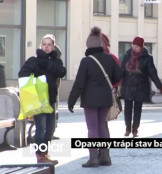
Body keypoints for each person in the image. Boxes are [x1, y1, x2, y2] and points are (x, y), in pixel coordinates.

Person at [68, 27, 122, 167]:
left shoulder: (86, 61)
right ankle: (105, 157)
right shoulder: (109, 59)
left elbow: (79, 84)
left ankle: (93, 158)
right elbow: (120, 75)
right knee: (102, 127)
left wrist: (71, 100)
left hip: (90, 100)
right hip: (105, 99)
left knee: (92, 128)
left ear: (88, 45)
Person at [18, 34, 66, 164]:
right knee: (41, 128)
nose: (46, 47)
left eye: (49, 44)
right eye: (44, 44)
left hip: (51, 100)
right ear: (41, 45)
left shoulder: (56, 60)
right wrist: (37, 71)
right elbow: (22, 74)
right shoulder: (33, 60)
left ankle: (44, 153)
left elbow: (62, 72)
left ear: (53, 46)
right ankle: (40, 156)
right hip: (38, 100)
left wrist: (48, 64)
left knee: (50, 129)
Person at [121, 36, 162, 137]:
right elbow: (121, 70)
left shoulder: (147, 58)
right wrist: (115, 82)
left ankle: (135, 129)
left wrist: (159, 86)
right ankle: (127, 129)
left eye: (137, 46)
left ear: (141, 47)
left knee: (137, 109)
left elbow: (153, 73)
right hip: (128, 86)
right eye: (133, 46)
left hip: (141, 86)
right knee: (127, 109)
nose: (134, 48)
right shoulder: (127, 55)